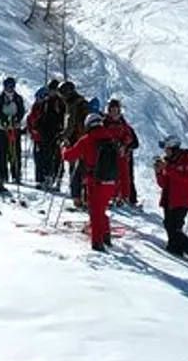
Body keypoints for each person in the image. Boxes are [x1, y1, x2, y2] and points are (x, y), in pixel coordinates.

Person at [62, 111, 126, 251]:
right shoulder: (110, 138)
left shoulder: (87, 139)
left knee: (95, 212)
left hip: (95, 181)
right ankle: (106, 236)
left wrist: (64, 149)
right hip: (111, 181)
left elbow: (69, 156)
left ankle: (97, 242)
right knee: (101, 209)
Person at [154, 139, 188, 262]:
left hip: (182, 199)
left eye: (167, 149)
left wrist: (167, 168)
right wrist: (159, 172)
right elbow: (163, 184)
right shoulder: (168, 161)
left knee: (174, 227)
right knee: (169, 225)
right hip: (169, 198)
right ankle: (174, 249)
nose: (165, 152)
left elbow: (186, 179)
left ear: (174, 148)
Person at [27, 81, 66, 189]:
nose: (52, 92)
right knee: (46, 157)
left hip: (56, 132)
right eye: (51, 90)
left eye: (54, 90)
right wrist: (36, 127)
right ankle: (47, 177)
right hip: (46, 133)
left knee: (57, 157)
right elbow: (40, 117)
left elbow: (64, 117)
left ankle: (57, 179)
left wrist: (62, 130)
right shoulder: (45, 102)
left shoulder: (60, 102)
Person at [104, 98, 140, 206]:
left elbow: (130, 137)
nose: (114, 112)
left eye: (116, 110)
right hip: (109, 153)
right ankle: (112, 196)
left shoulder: (123, 123)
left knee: (124, 176)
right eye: (112, 110)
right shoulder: (105, 122)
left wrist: (124, 145)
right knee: (111, 175)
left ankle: (124, 197)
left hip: (121, 153)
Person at [0, 76, 27, 185]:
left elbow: (21, 111)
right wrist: (4, 120)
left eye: (12, 86)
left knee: (15, 152)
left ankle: (16, 175)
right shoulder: (0, 99)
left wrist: (16, 118)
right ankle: (3, 175)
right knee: (3, 152)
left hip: (15, 128)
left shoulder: (18, 98)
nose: (10, 88)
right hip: (3, 129)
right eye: (8, 86)